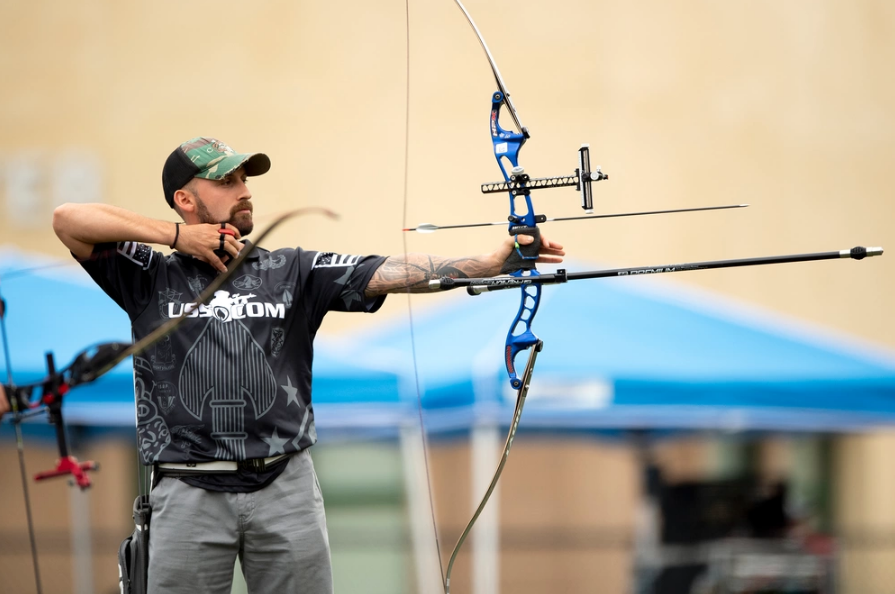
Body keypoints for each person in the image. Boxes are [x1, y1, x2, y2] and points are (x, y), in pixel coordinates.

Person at [52, 136, 564, 594]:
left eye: (244, 178)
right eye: (226, 181)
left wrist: (489, 264)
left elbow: (390, 272)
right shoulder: (150, 277)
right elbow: (67, 220)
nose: (244, 189)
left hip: (284, 487)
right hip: (188, 489)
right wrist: (175, 236)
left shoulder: (290, 270)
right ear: (185, 199)